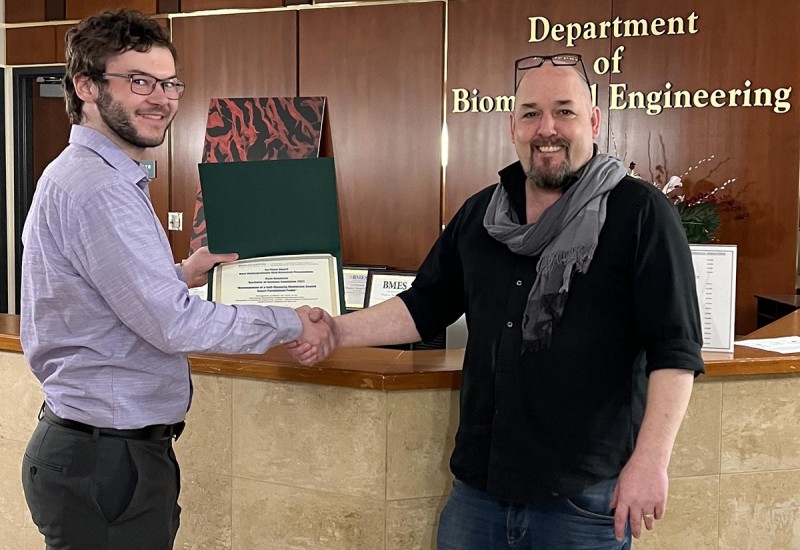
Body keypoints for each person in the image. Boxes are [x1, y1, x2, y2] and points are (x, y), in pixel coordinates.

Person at [291, 53, 704, 549]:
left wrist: (651, 463)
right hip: (480, 493)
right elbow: (423, 307)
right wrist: (337, 331)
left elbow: (675, 349)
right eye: (531, 113)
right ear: (513, 126)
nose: (546, 128)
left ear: (593, 121)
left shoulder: (640, 213)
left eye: (564, 111)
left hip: (583, 499)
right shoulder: (483, 213)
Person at [19, 9, 334, 549]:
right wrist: (290, 323)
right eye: (139, 81)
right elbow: (171, 324)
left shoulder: (90, 174)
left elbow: (106, 295)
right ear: (86, 86)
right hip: (107, 461)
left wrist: (182, 273)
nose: (161, 98)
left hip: (99, 454)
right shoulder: (100, 187)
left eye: (169, 83)